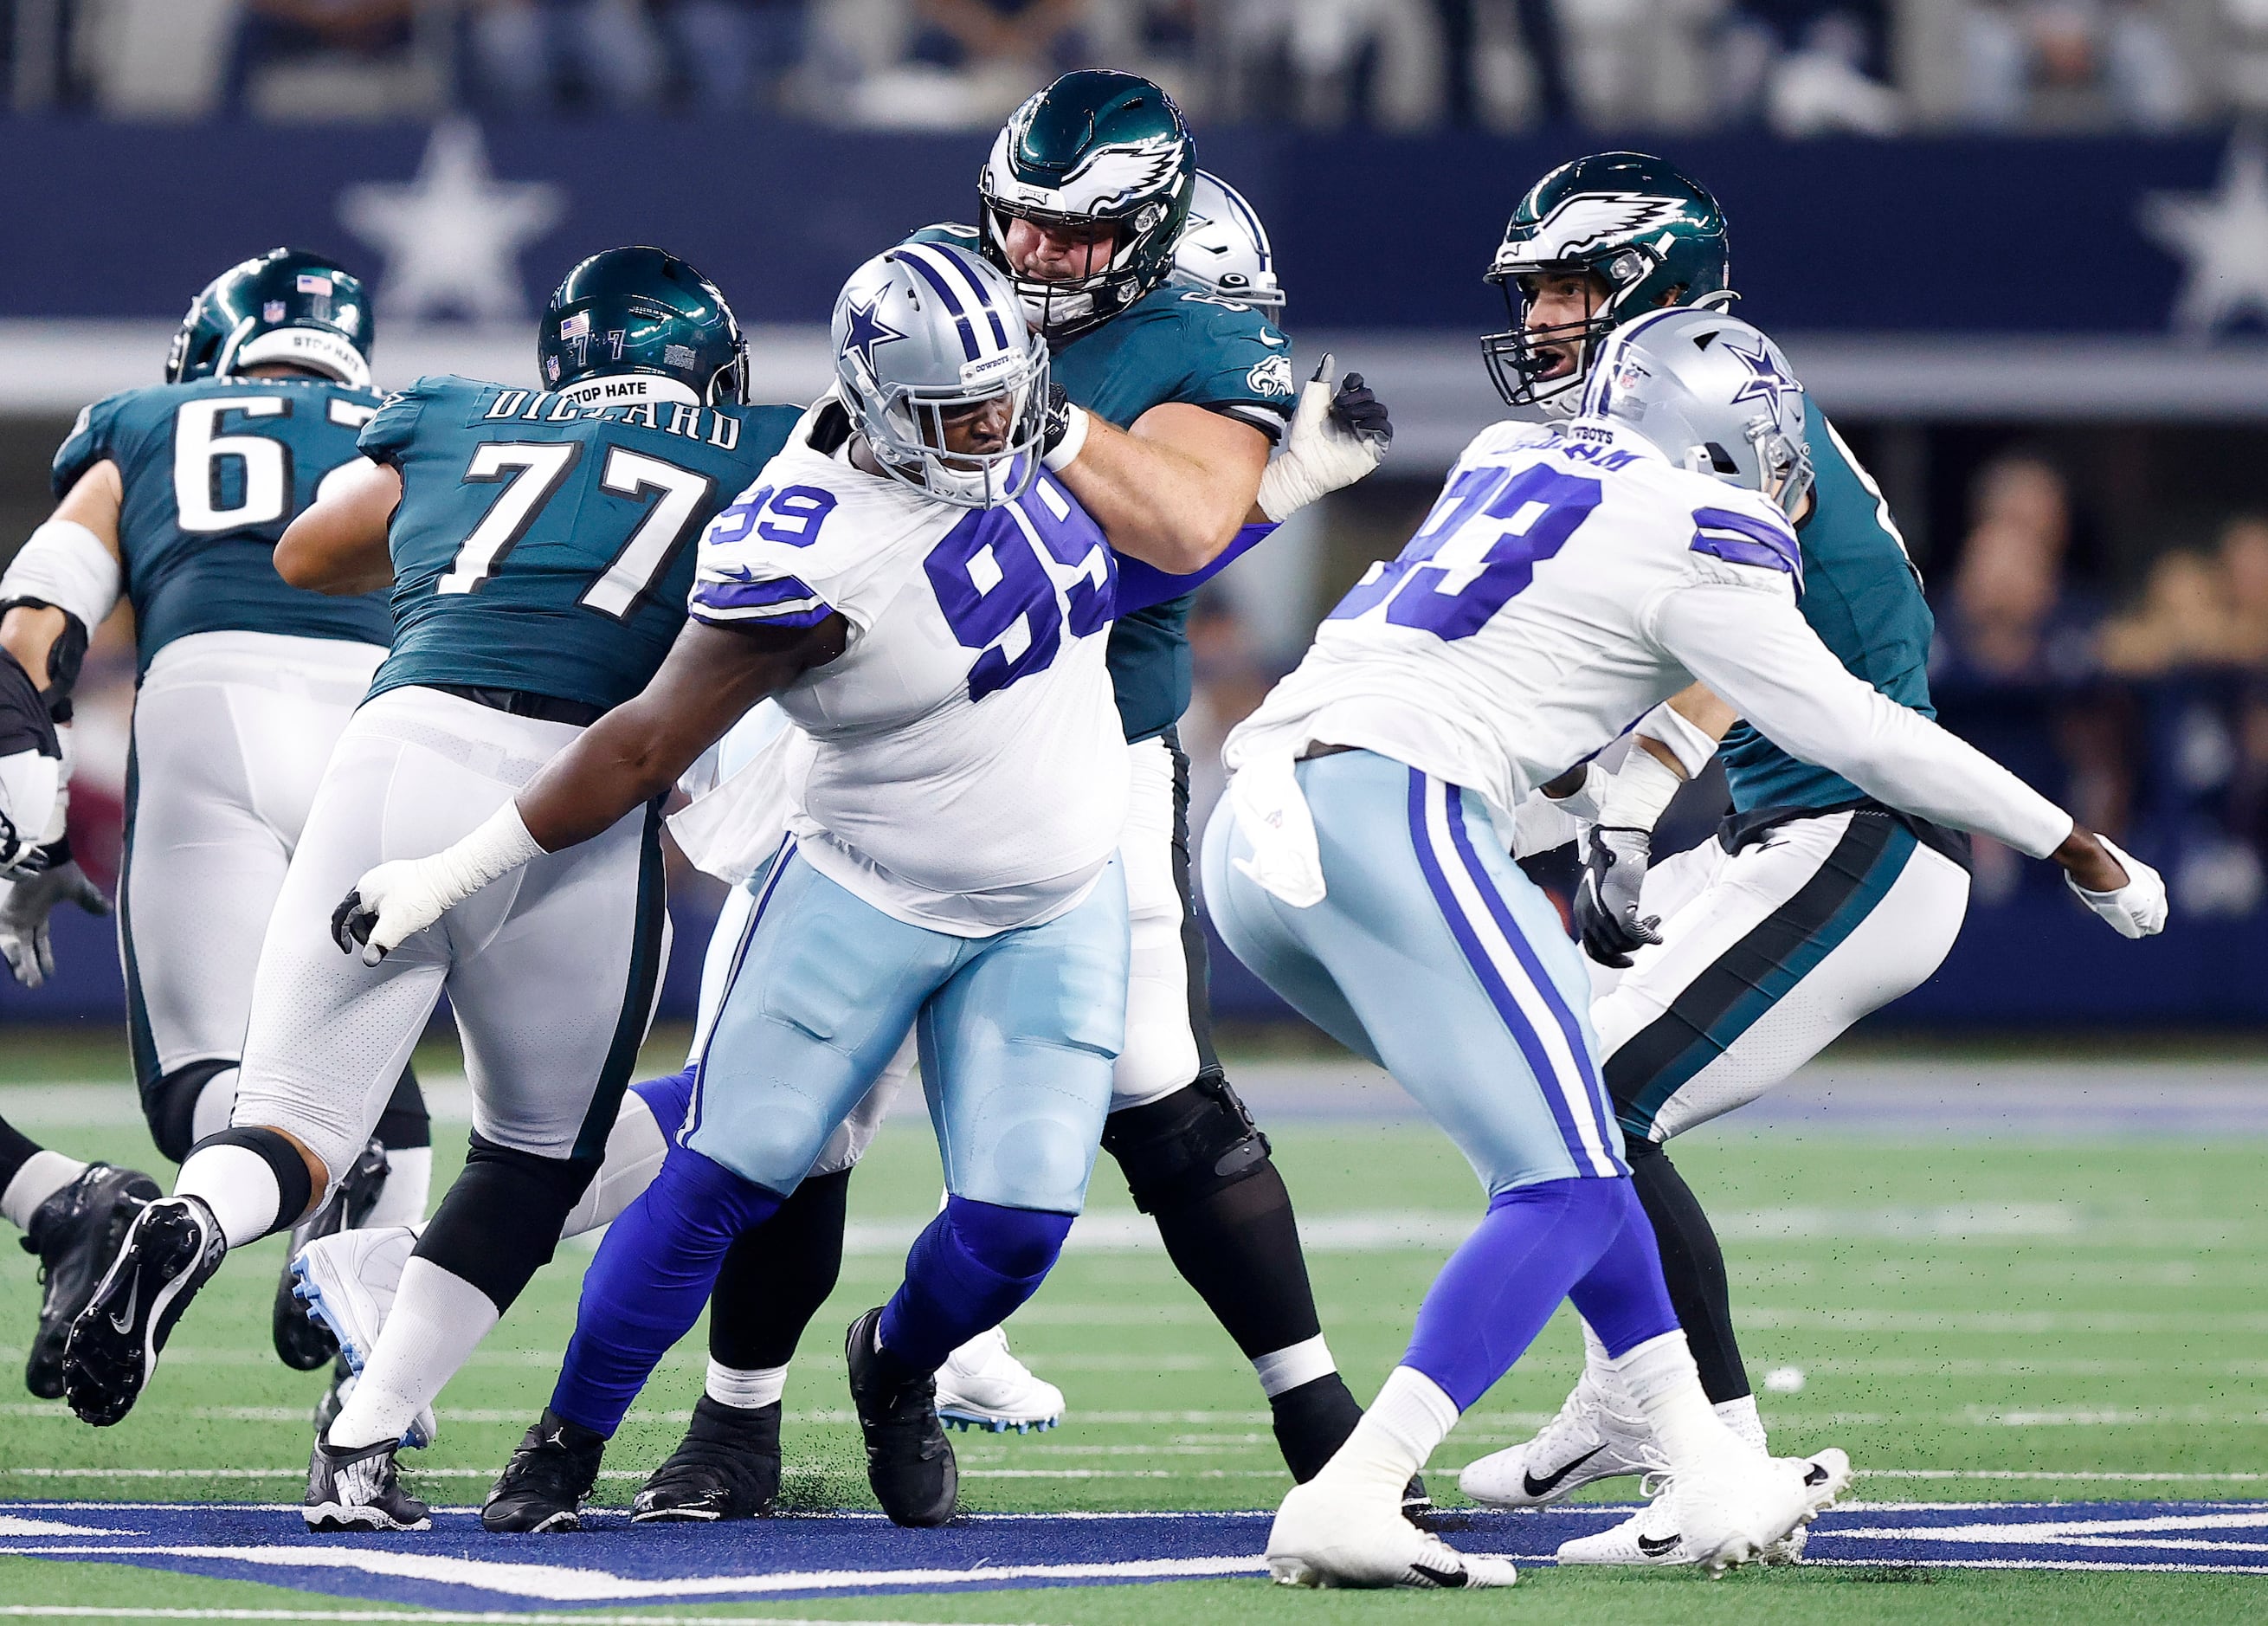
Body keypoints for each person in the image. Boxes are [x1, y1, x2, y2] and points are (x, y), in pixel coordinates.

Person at [1204, 306, 2165, 1588]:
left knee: (1574, 1146)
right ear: (1721, 438)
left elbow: (1522, 680)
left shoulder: (1509, 452)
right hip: (1397, 810)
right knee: (1568, 1177)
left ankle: (1708, 1470)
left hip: (1260, 828)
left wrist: (1611, 808)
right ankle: (1360, 1485)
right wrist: (2064, 837)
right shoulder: (1700, 523)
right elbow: (1859, 731)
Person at [619, 71, 1399, 1507]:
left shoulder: (1204, 336)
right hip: (882, 750)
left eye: (1072, 236)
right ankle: (734, 1420)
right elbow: (814, 491)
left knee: (1170, 1101)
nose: (1031, 258)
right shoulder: (941, 290)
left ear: (1158, 237)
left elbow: (1175, 521)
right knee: (793, 1117)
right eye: (1019, 225)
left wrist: (1037, 415)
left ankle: (1320, 1427)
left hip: (1090, 753)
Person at [329, 241, 1141, 1534]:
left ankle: (902, 1362)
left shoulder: (1008, 431)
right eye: (961, 414)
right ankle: (569, 1434)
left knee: (1018, 1225)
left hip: (1052, 900)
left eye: (1006, 398)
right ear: (881, 404)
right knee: (731, 1168)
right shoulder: (804, 544)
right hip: (866, 884)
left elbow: (1108, 590)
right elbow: (644, 742)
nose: (997, 431)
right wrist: (449, 869)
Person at [56, 249, 798, 1515]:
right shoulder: (762, 447)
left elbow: (309, 551)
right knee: (529, 1158)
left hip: (392, 751)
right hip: (575, 786)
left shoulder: (457, 408)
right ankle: (360, 1439)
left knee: (292, 1119)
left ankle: (190, 1221)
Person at [1448, 152, 2097, 1565]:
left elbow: (1737, 659)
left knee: (1599, 1109)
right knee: (1540, 1081)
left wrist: (1628, 800)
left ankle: (1719, 1456)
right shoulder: (1680, 399)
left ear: (1654, 286)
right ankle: (1629, 1400)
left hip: (1862, 835)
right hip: (1783, 829)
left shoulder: (1712, 404)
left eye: (1570, 284)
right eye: (1539, 288)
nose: (1546, 315)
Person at [0, 248, 429, 1390]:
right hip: (390, 719)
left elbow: (35, 627)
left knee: (200, 1082)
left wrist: (31, 805)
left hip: (206, 701)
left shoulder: (146, 419)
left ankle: (269, 1186)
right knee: (374, 1038)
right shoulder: (413, 423)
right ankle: (372, 1368)